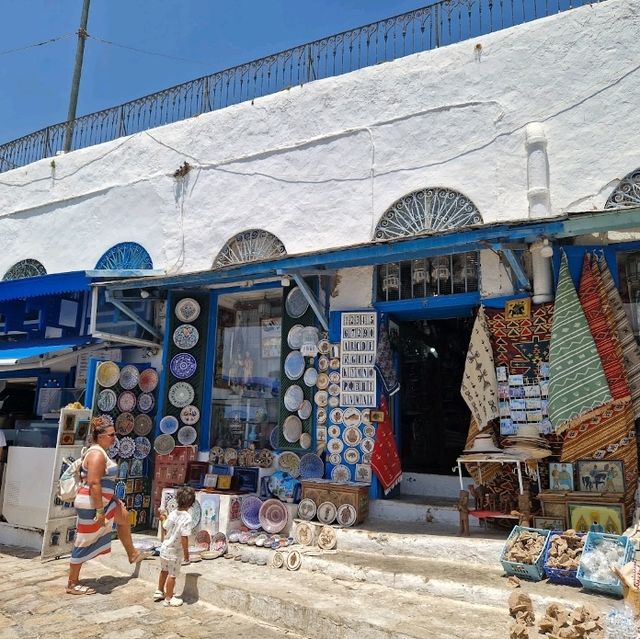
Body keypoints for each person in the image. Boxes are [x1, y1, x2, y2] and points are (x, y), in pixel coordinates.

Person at [67, 417, 146, 595]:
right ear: (100, 436)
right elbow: (94, 483)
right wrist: (100, 511)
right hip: (92, 503)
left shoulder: (101, 452)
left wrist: (114, 499)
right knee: (84, 539)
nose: (114, 438)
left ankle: (132, 553)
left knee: (123, 517)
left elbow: (103, 481)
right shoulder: (96, 455)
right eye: (111, 435)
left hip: (104, 501)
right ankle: (72, 582)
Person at [154, 486, 195, 607]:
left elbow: (166, 526)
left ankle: (159, 591)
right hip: (175, 552)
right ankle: (169, 598)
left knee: (164, 571)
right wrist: (186, 554)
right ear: (191, 503)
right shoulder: (187, 518)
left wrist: (163, 518)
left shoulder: (172, 513)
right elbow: (184, 537)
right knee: (172, 575)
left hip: (164, 548)